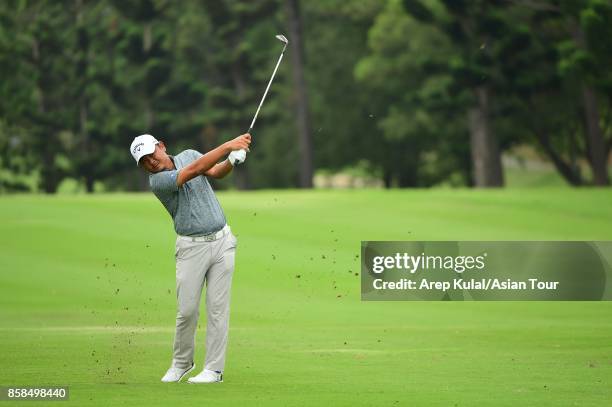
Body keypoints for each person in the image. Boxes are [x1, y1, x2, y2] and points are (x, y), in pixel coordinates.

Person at [129, 133, 251, 384]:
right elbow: (194, 171)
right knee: (187, 311)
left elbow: (214, 172)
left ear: (162, 146)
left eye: (152, 154)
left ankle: (214, 370)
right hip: (191, 248)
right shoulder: (159, 181)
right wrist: (228, 144)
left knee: (218, 311)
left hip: (222, 242)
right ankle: (182, 363)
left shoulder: (190, 154)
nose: (150, 162)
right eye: (144, 161)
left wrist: (231, 161)